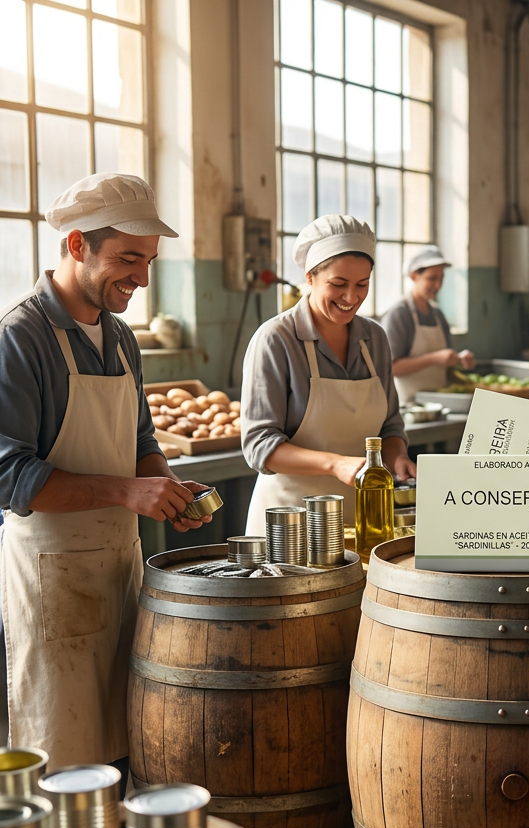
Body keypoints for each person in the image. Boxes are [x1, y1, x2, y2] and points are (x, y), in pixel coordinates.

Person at [0, 173, 210, 767]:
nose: (142, 278)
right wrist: (128, 492)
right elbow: (10, 477)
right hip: (52, 581)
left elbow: (141, 440)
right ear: (76, 246)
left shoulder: (120, 338)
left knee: (125, 744)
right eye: (127, 259)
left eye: (148, 261)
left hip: (119, 569)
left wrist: (166, 486)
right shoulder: (20, 337)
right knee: (63, 759)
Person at [242, 215, 414, 534]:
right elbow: (259, 446)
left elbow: (390, 426)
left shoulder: (374, 339)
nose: (351, 297)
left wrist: (397, 457)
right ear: (310, 277)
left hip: (362, 520)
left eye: (362, 284)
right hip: (290, 523)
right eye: (338, 284)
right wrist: (335, 464)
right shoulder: (276, 339)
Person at [381, 245, 474, 404]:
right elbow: (391, 367)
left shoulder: (437, 314)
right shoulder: (399, 314)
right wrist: (434, 358)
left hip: (439, 402)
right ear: (414, 276)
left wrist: (459, 360)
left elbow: (446, 362)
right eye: (432, 278)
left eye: (441, 278)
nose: (438, 285)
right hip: (407, 405)